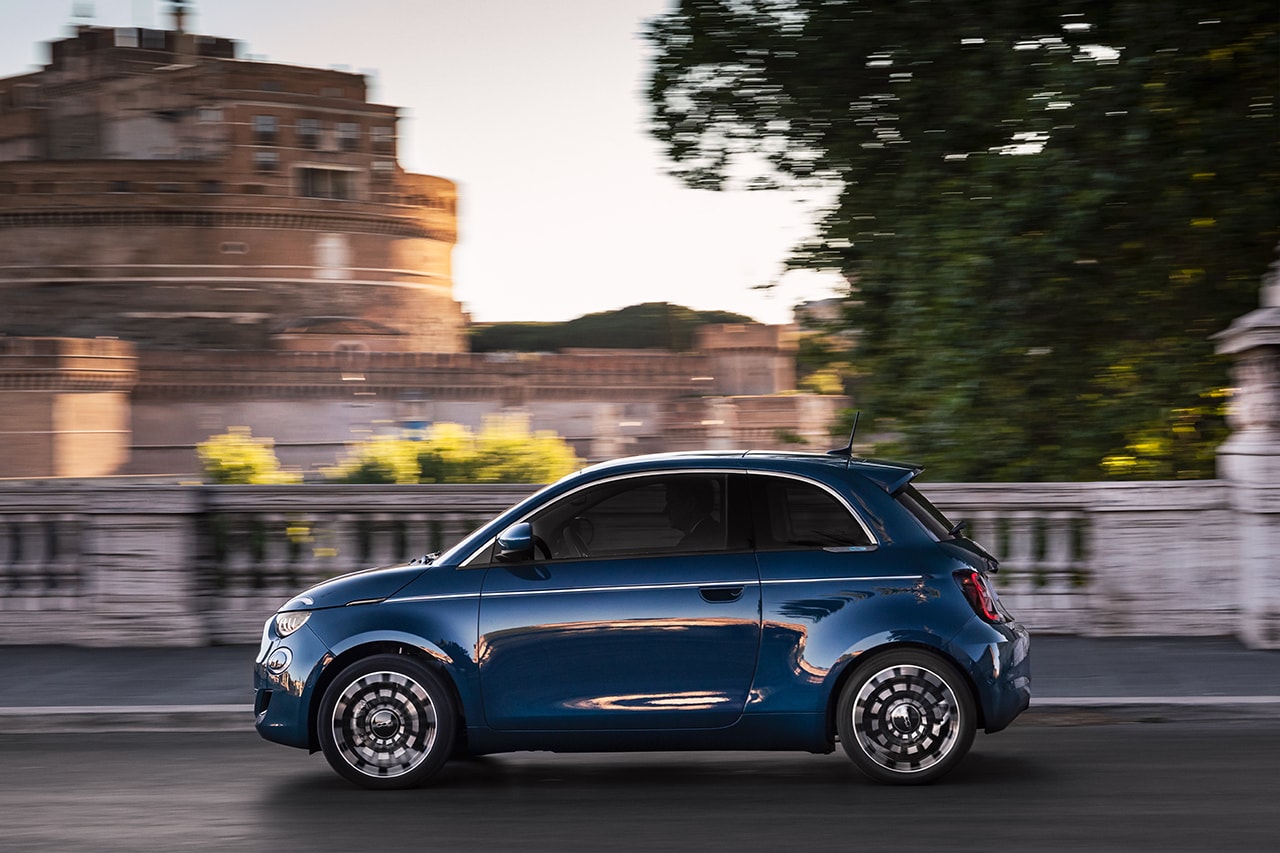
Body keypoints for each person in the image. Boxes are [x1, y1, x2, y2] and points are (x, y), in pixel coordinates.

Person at [663, 478, 723, 550]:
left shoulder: (691, 543)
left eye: (671, 503)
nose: (665, 510)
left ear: (690, 504)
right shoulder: (714, 531)